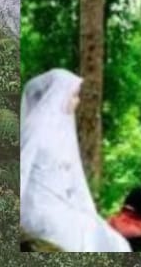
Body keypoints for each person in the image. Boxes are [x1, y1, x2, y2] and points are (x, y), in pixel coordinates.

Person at [20, 68, 132, 252]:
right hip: (40, 208)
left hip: (64, 206)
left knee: (114, 242)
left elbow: (73, 179)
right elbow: (21, 170)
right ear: (56, 95)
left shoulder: (62, 133)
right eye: (73, 95)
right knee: (75, 235)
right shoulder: (34, 130)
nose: (77, 101)